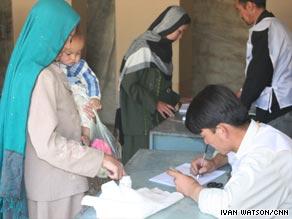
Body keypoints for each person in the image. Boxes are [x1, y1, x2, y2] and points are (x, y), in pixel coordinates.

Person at [0, 1, 125, 218]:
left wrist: (82, 128)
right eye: (66, 37)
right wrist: (100, 159)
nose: (68, 45)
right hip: (54, 187)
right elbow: (48, 144)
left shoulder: (40, 69)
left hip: (58, 182)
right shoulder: (42, 77)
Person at [168, 84, 292, 218]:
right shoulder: (257, 133)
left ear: (221, 130)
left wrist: (192, 189)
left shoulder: (264, 159)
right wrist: (214, 162)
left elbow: (229, 209)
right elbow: (236, 153)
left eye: (204, 136)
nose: (206, 142)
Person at [117, 5, 192, 164]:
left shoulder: (164, 49)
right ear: (168, 25)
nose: (181, 37)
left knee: (151, 163)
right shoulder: (142, 47)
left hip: (154, 118)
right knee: (136, 164)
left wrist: (178, 99)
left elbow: (160, 87)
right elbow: (129, 84)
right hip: (138, 119)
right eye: (179, 31)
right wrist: (155, 103)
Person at [235, 0, 292, 138]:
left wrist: (240, 108)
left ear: (250, 6)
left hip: (276, 108)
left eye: (239, 9)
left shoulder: (264, 28)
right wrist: (243, 91)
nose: (240, 15)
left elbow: (258, 75)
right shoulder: (277, 25)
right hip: (285, 102)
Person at [57, 26, 102, 146]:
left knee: (85, 112)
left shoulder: (80, 66)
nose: (74, 58)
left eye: (78, 53)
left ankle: (85, 136)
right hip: (63, 96)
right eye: (69, 53)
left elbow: (91, 80)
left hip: (77, 94)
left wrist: (94, 98)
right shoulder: (53, 66)